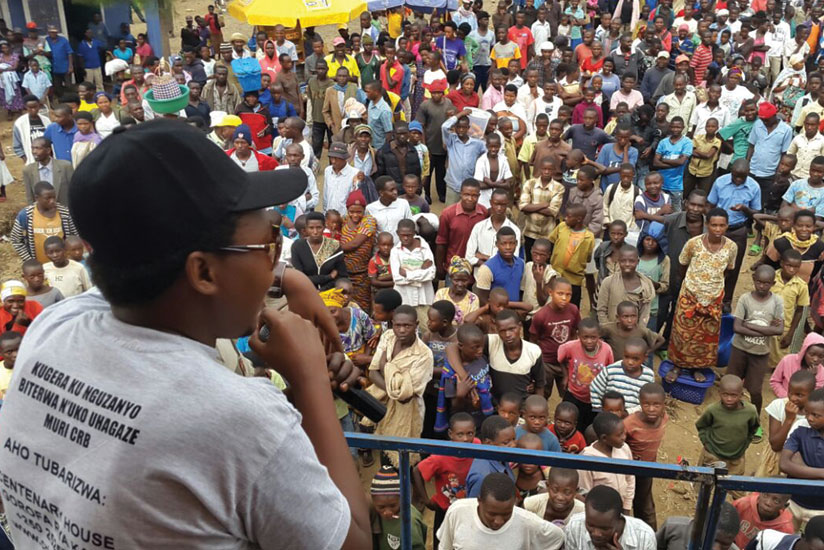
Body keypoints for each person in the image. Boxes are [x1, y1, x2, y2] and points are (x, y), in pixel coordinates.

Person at [1, 121, 374, 546]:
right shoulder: (238, 417)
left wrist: (288, 276)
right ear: (202, 272)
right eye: (269, 245)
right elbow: (355, 543)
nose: (274, 264)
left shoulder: (54, 328)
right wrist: (309, 382)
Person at [667, 208, 737, 382]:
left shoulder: (731, 247)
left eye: (722, 225)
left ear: (727, 226)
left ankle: (698, 368)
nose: (718, 229)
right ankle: (677, 365)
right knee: (682, 334)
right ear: (707, 225)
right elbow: (682, 265)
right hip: (689, 296)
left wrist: (711, 291)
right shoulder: (693, 243)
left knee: (706, 337)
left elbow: (727, 271)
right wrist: (693, 287)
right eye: (714, 225)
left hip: (713, 300)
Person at [369, 306, 434, 467]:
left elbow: (406, 397)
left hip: (410, 412)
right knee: (385, 453)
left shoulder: (424, 354)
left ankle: (408, 489)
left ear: (417, 324)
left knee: (405, 456)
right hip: (383, 405)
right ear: (392, 324)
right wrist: (394, 383)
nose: (402, 330)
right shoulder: (388, 337)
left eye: (407, 326)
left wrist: (385, 367)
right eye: (398, 325)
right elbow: (372, 373)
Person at [440, 472, 564, 549]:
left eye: (506, 514)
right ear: (479, 501)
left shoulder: (527, 522)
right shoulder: (458, 512)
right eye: (492, 514)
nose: (498, 521)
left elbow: (558, 537)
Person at [728, 265, 785, 420]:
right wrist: (767, 329)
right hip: (739, 349)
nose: (762, 286)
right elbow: (737, 327)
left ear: (773, 284)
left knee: (754, 390)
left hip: (760, 353)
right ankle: (729, 414)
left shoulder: (777, 302)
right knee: (731, 383)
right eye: (759, 282)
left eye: (766, 283)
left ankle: (755, 419)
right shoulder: (745, 299)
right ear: (753, 280)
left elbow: (779, 330)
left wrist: (749, 325)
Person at [413, 412, 476, 550]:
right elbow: (417, 471)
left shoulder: (477, 445)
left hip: (469, 507)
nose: (466, 439)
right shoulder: (441, 456)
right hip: (445, 509)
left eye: (470, 433)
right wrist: (426, 500)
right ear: (451, 434)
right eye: (460, 434)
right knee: (441, 541)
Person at [696, 374, 760, 484]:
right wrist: (706, 443)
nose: (729, 399)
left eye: (734, 395)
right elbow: (702, 425)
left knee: (733, 485)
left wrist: (745, 444)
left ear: (741, 395)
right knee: (705, 483)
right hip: (712, 454)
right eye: (725, 395)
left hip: (736, 458)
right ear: (719, 393)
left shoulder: (750, 411)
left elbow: (753, 428)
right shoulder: (713, 410)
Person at [624, 382, 668, 528]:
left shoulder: (664, 418)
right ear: (640, 403)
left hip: (648, 469)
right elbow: (618, 443)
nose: (651, 409)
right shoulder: (630, 423)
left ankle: (650, 536)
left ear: (663, 404)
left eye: (656, 405)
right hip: (628, 470)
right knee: (626, 502)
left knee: (645, 505)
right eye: (646, 404)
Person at [530, 277, 581, 399]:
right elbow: (533, 340)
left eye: (568, 295)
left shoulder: (573, 310)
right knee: (542, 393)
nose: (564, 298)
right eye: (560, 294)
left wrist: (571, 353)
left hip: (566, 361)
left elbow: (574, 331)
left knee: (568, 393)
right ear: (550, 292)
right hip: (547, 362)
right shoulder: (541, 316)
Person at [780, 389, 824, 526]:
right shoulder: (801, 429)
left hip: (821, 510)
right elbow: (784, 464)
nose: (809, 418)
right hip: (793, 501)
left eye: (815, 415)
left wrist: (800, 467)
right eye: (806, 412)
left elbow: (791, 465)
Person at [566, 485, 656, 550]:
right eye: (590, 525)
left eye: (605, 528)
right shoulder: (575, 527)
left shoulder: (644, 537)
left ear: (619, 519)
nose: (596, 533)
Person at [11, 181, 78, 264]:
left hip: (63, 265)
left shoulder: (64, 214)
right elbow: (15, 240)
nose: (52, 201)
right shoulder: (25, 216)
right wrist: (30, 260)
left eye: (54, 197)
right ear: (37, 198)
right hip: (40, 267)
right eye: (48, 198)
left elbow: (75, 236)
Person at [435, 179, 488, 281]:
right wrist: (440, 267)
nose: (470, 199)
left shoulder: (484, 213)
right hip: (454, 269)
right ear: (460, 194)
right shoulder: (448, 214)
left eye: (474, 196)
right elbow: (441, 242)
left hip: (476, 269)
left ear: (479, 196)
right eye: (466, 194)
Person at [547, 203, 595, 308]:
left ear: (579, 219)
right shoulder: (561, 227)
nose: (565, 218)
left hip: (574, 279)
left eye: (569, 216)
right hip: (556, 274)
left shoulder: (589, 237)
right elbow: (551, 243)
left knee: (571, 306)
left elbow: (587, 257)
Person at [597, 246, 656, 326]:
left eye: (631, 261)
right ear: (618, 261)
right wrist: (609, 331)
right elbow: (601, 310)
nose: (627, 264)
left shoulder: (645, 285)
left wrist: (637, 334)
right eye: (623, 261)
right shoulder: (608, 282)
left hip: (634, 333)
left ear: (638, 261)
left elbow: (644, 314)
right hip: (611, 332)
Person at [590, 337, 655, 411]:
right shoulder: (611, 370)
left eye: (635, 359)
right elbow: (595, 387)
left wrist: (629, 412)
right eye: (626, 357)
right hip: (610, 414)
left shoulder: (648, 376)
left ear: (645, 358)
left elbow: (648, 400)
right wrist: (598, 408)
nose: (630, 362)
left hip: (634, 417)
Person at [371, 466, 427, 550]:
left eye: (393, 506)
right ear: (373, 502)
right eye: (381, 507)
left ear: (402, 499)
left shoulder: (410, 521)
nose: (387, 512)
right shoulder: (372, 515)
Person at [291, 212, 348, 291]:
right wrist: (328, 277)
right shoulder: (298, 246)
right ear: (306, 228)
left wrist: (322, 291)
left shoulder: (334, 246)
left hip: (330, 293)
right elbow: (300, 278)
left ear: (324, 227)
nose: (315, 232)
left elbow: (342, 276)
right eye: (311, 228)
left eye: (319, 227)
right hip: (305, 292)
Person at [442, 109, 488, 205]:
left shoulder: (477, 143)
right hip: (453, 185)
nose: (461, 130)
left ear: (468, 128)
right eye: (458, 127)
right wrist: (460, 114)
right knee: (451, 211)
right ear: (455, 128)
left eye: (464, 127)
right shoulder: (451, 140)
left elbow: (488, 153)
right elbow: (444, 127)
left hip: (469, 185)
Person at [465, 415, 517, 497]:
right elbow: (474, 506)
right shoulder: (482, 477)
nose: (513, 445)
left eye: (514, 439)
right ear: (489, 443)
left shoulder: (501, 457)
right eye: (506, 442)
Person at [656, 501, 741, 550]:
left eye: (725, 544)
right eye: (712, 539)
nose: (716, 548)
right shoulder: (673, 528)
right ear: (703, 525)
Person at [434, 257, 480, 325]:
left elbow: (471, 323)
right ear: (450, 278)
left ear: (469, 279)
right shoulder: (441, 294)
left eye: (464, 280)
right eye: (456, 280)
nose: (460, 284)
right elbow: (436, 317)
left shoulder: (473, 299)